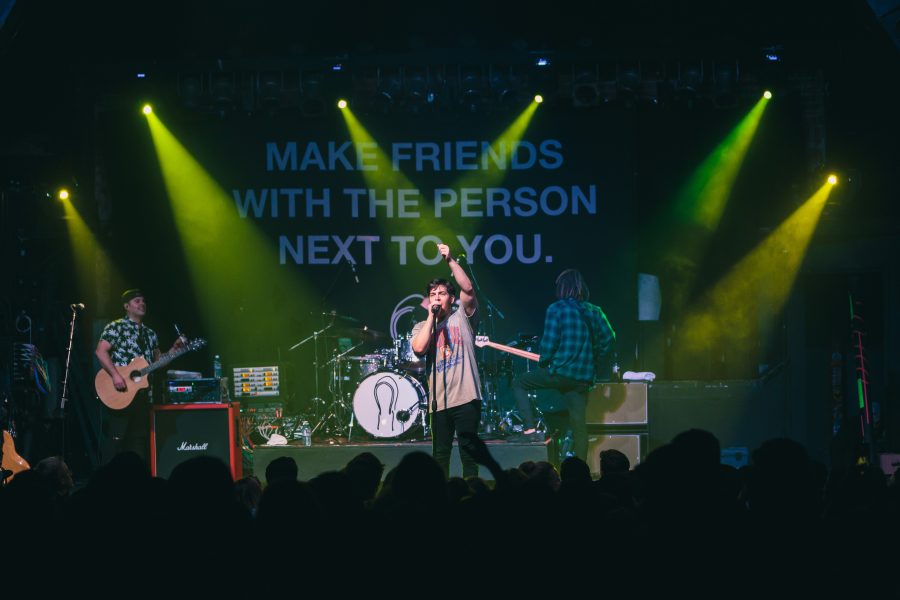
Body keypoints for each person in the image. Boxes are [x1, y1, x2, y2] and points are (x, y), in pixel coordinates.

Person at [512, 269, 615, 460]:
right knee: (579, 426)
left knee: (520, 382)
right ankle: (581, 471)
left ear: (562, 287)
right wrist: (595, 361)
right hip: (582, 378)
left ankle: (529, 429)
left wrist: (544, 361)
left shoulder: (556, 309)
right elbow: (610, 339)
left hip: (560, 372)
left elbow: (549, 344)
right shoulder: (595, 311)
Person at [411, 243, 482, 478]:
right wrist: (431, 316)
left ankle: (472, 496)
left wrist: (450, 259)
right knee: (439, 456)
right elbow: (419, 348)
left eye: (442, 293)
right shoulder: (422, 326)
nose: (437, 298)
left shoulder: (462, 317)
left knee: (468, 454)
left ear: (451, 298)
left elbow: (469, 288)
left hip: (466, 398)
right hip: (439, 403)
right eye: (433, 294)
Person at [95, 288, 182, 464]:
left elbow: (158, 362)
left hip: (141, 396)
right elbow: (100, 351)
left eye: (143, 301)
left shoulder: (150, 334)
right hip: (119, 393)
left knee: (138, 443)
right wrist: (115, 376)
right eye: (137, 301)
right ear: (127, 306)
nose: (142, 303)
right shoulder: (116, 327)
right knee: (115, 443)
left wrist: (174, 351)